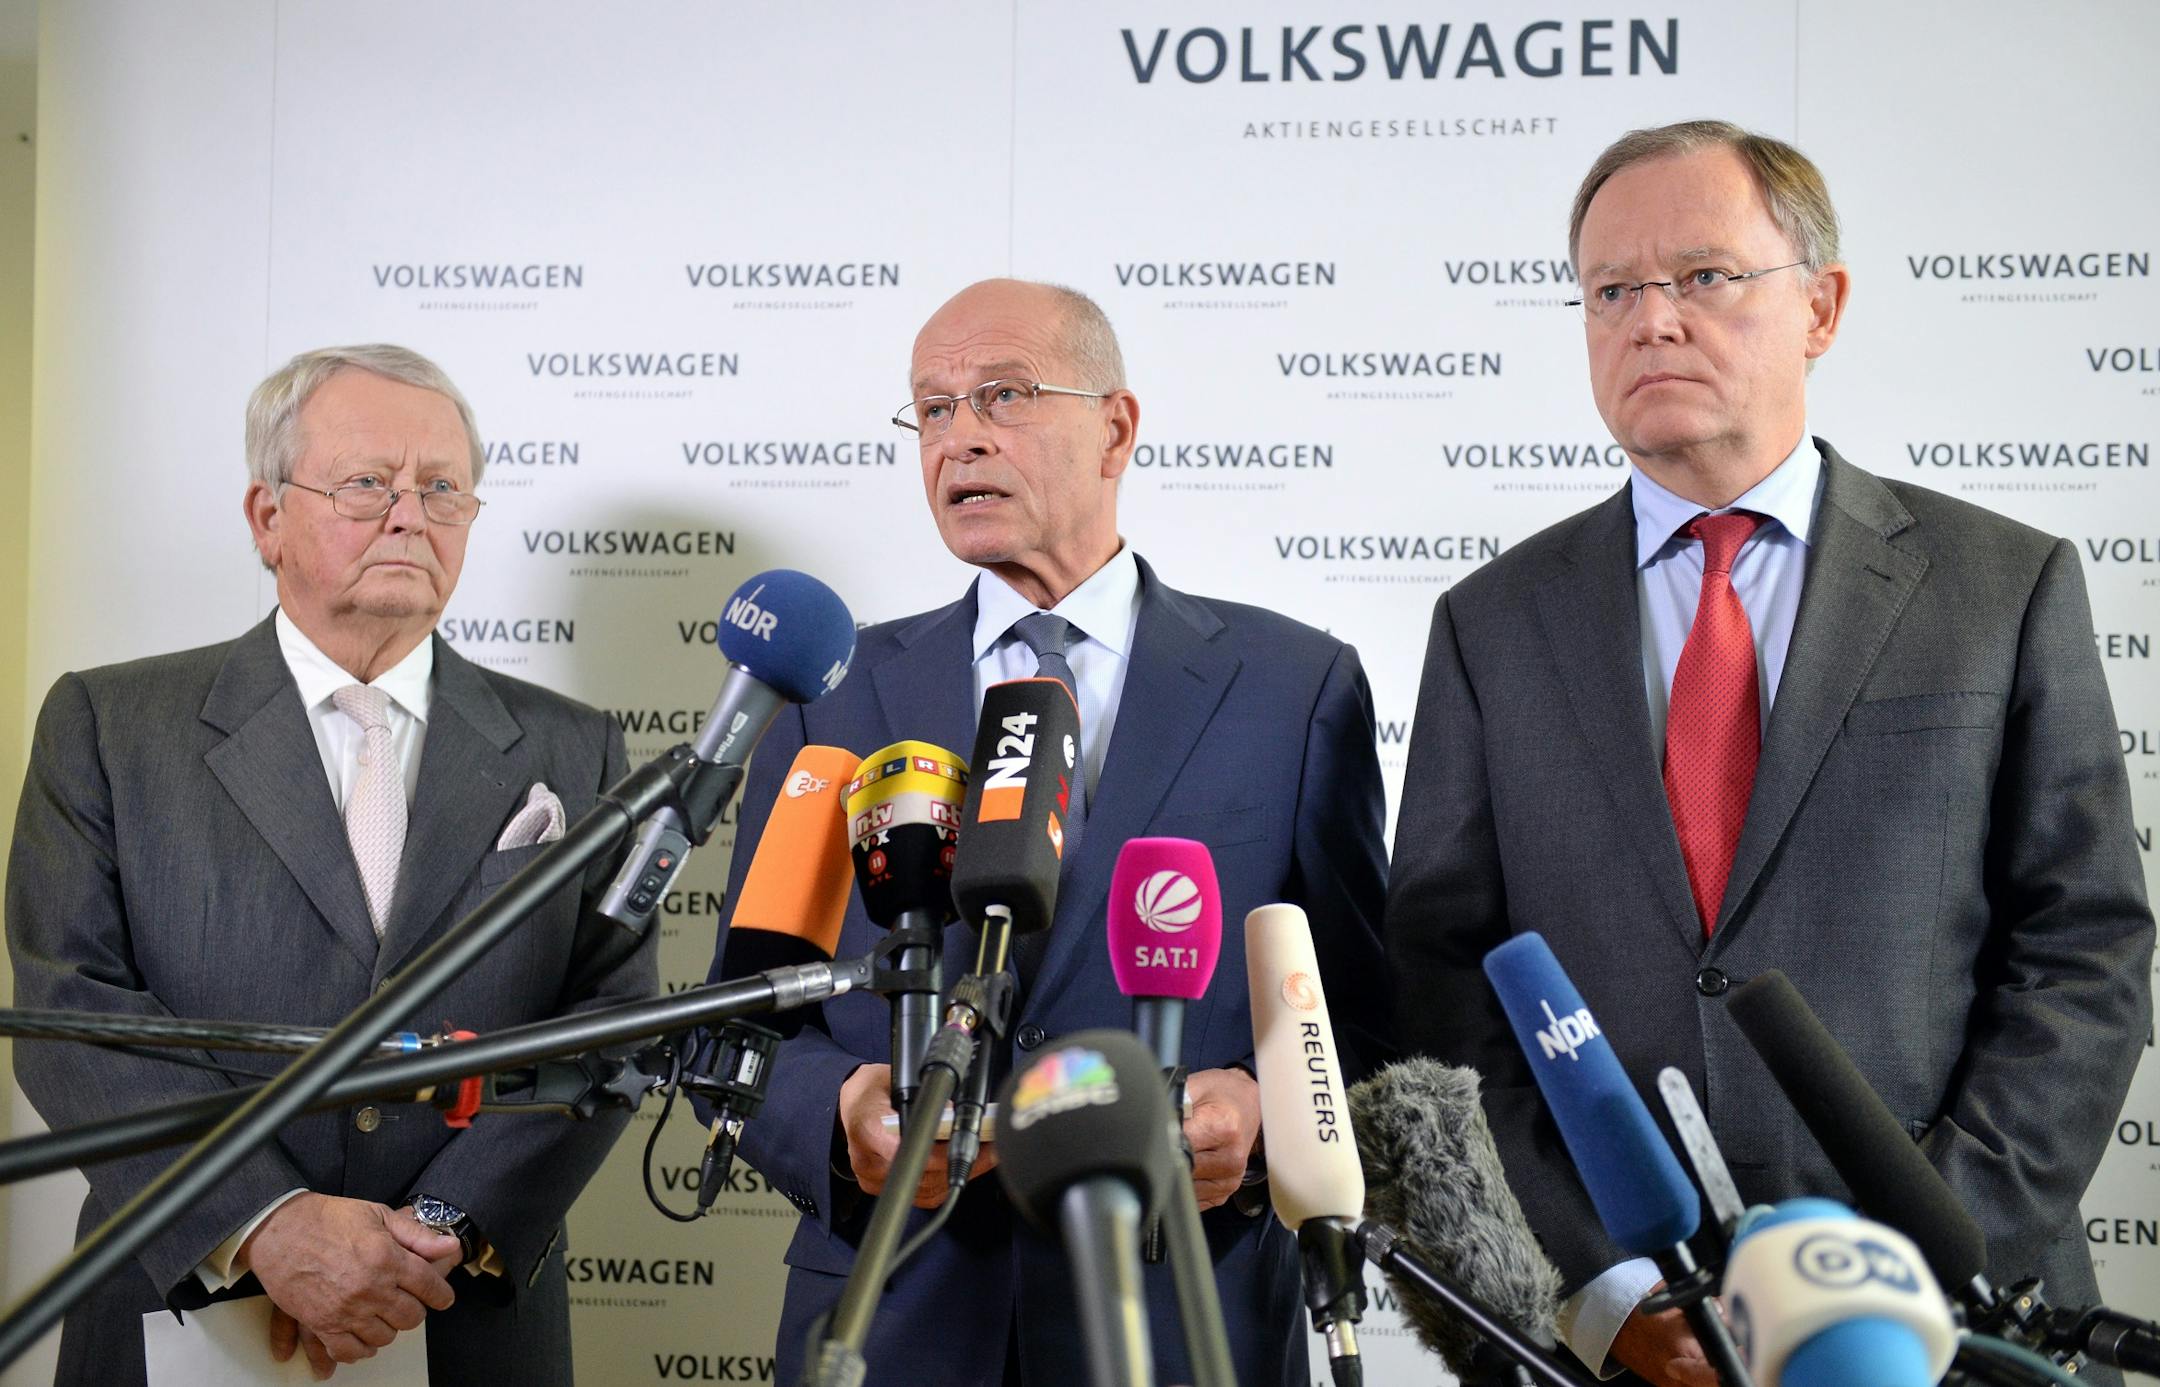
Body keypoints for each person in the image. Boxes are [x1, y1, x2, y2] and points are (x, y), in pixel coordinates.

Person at [1384, 120, 2152, 1387]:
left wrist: (1904, 1264)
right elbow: (1445, 992)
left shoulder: (2000, 585)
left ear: (1822, 306)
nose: (1653, 321)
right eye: (1613, 291)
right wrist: (1612, 1283)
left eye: (1703, 277)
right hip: (1635, 1342)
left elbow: (2085, 950)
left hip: (1958, 1324)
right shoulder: (1491, 623)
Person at [710, 278, 1392, 1386]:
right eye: (931, 410)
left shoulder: (1293, 689)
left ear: (1116, 427)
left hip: (1180, 1316)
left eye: (1004, 395)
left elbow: (1368, 1018)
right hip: (893, 1326)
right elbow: (734, 1029)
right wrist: (841, 1115)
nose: (959, 439)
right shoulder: (829, 701)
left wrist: (1268, 1116)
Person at [8, 344, 658, 1384]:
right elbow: (67, 1014)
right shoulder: (108, 725)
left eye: (442, 488)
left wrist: (429, 1237)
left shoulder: (572, 748)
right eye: (368, 483)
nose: (410, 514)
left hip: (460, 1312)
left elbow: (606, 1023)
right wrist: (265, 1223)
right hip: (178, 1300)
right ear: (268, 517)